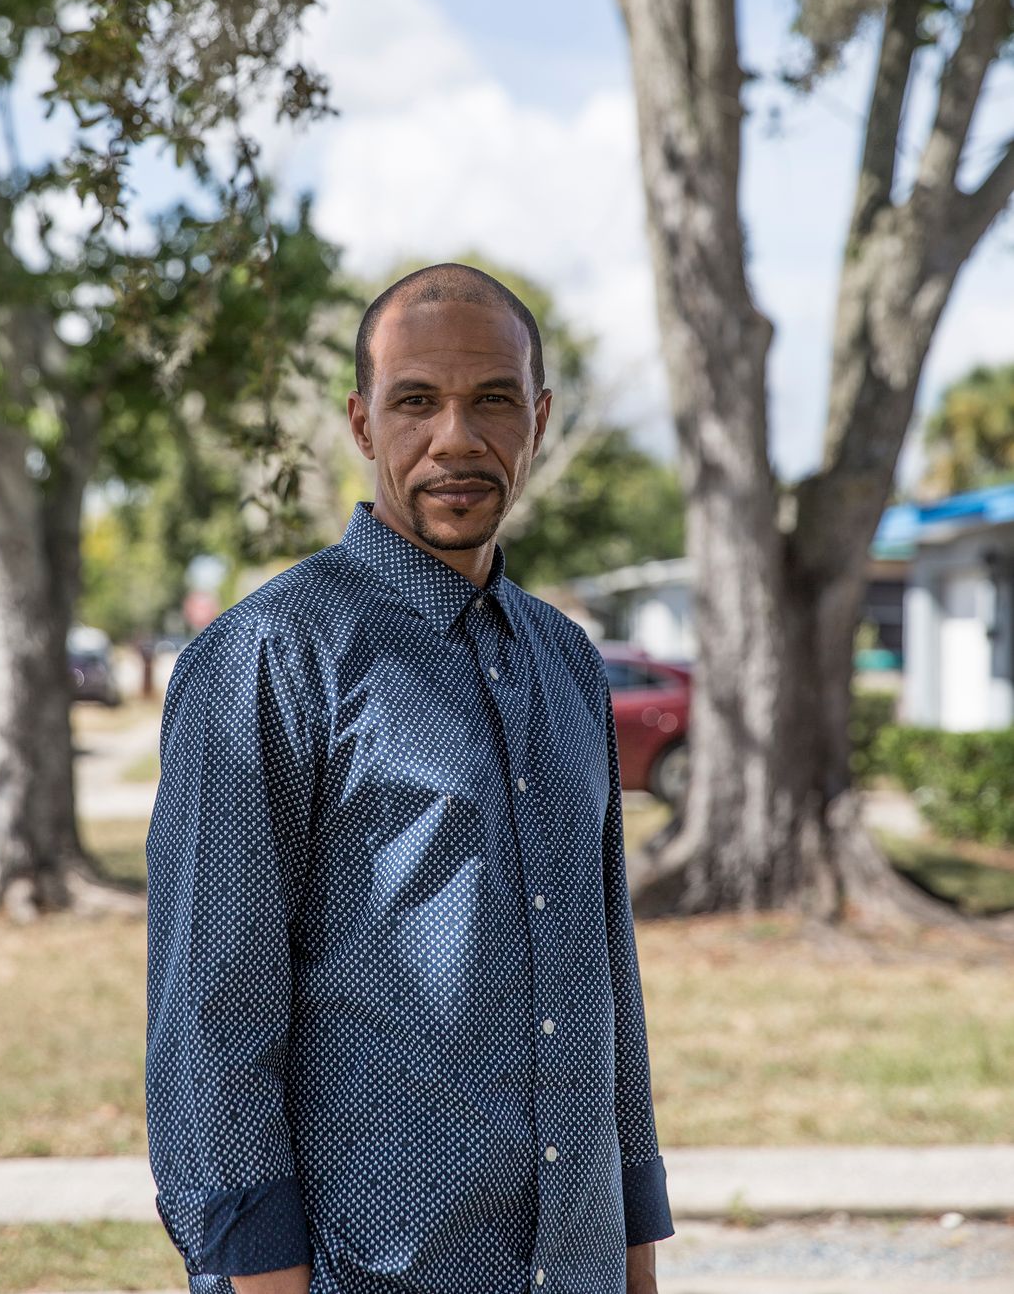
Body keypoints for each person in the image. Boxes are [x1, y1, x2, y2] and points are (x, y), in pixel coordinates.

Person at [145, 262, 674, 1294]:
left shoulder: (568, 659)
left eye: (492, 402)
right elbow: (212, 1017)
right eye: (416, 402)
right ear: (360, 421)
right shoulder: (270, 659)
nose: (456, 440)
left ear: (541, 417)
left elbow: (607, 977)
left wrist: (635, 1251)